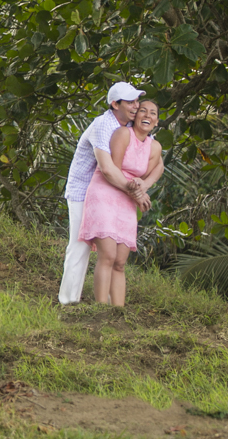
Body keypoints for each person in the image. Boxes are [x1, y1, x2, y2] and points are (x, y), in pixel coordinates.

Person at [58, 82, 148, 305]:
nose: (136, 106)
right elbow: (107, 169)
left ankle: (109, 306)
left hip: (111, 194)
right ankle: (68, 302)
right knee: (80, 246)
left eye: (137, 101)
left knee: (113, 250)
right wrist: (136, 194)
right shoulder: (103, 125)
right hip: (84, 192)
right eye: (130, 102)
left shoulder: (127, 126)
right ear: (114, 104)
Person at [78, 99, 163, 306]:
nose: (147, 116)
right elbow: (114, 170)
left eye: (152, 113)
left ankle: (118, 310)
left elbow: (156, 169)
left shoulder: (155, 146)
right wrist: (138, 193)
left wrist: (144, 187)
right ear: (136, 116)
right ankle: (101, 308)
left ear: (156, 121)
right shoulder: (123, 134)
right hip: (106, 192)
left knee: (120, 262)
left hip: (128, 200)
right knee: (107, 255)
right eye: (143, 111)